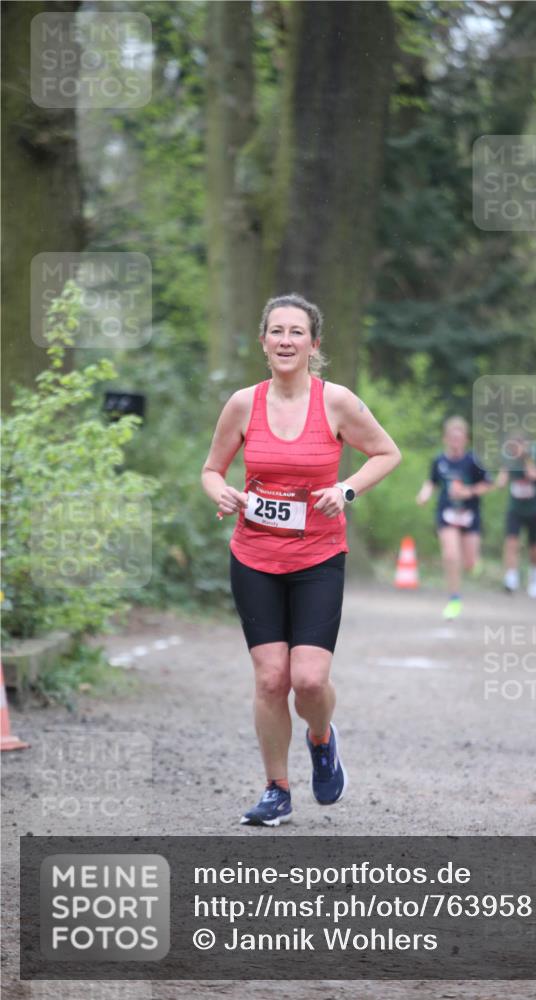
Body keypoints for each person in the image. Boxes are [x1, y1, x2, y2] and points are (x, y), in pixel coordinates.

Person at [201, 293, 401, 826]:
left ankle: (321, 739)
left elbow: (387, 453)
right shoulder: (243, 404)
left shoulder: (336, 403)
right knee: (271, 679)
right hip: (254, 556)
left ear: (314, 344)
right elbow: (212, 470)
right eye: (277, 331)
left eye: (296, 332)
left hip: (318, 557)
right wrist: (220, 492)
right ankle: (276, 789)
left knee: (308, 680)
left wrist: (348, 490)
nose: (286, 341)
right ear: (264, 342)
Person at [416, 416, 493, 619]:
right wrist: (425, 494)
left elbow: (487, 484)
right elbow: (432, 482)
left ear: (466, 440)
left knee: (469, 563)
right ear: (446, 439)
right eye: (452, 437)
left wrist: (468, 492)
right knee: (450, 555)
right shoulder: (439, 461)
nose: (455, 441)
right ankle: (454, 599)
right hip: (447, 513)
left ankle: (474, 563)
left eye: (459, 438)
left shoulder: (473, 461)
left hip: (469, 515)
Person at [495, 435, 536, 598]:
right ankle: (511, 578)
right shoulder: (510, 459)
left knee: (534, 546)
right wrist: (501, 478)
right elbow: (501, 480)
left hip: (534, 509)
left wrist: (535, 473)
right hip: (516, 508)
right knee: (511, 541)